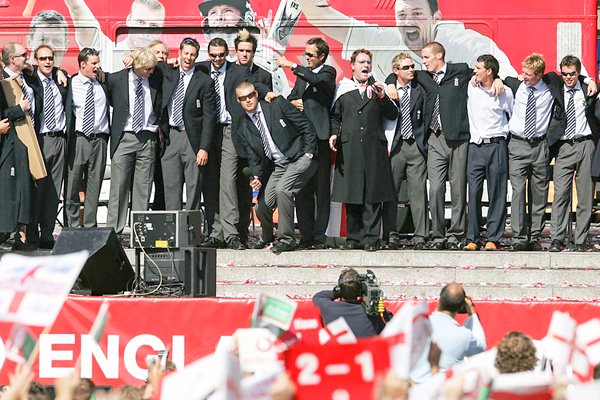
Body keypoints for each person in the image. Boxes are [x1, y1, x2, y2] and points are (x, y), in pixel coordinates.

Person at [298, 0, 517, 81]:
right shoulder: (385, 40)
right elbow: (326, 18)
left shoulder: (466, 44)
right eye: (402, 15)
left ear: (436, 19)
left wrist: (497, 80)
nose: (408, 20)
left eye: (417, 13)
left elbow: (509, 76)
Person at [235, 81, 317, 254]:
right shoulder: (242, 126)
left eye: (250, 95)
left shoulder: (277, 105)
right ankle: (266, 237)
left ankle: (287, 239)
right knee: (261, 207)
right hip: (278, 166)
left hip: (299, 157)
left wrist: (309, 152)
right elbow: (253, 157)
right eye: (243, 98)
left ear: (257, 94)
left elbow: (306, 126)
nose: (248, 100)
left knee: (283, 190)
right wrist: (256, 176)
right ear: (238, 101)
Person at [197, 37, 264, 250]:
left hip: (229, 130)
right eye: (213, 55)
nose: (217, 59)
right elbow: (179, 69)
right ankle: (215, 232)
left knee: (228, 181)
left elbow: (256, 84)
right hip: (208, 131)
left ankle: (231, 233)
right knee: (210, 182)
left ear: (228, 54)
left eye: (221, 55)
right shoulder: (201, 69)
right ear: (208, 54)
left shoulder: (238, 71)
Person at [329, 49, 397, 251]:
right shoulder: (343, 89)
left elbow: (392, 114)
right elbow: (335, 117)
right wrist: (333, 133)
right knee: (352, 193)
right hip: (350, 149)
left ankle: (371, 238)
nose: (365, 66)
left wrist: (383, 97)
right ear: (353, 65)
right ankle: (354, 237)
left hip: (373, 148)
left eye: (368, 62)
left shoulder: (378, 89)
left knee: (372, 194)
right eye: (361, 62)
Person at [277, 37, 336, 250]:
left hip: (320, 140)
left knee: (321, 189)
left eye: (310, 54)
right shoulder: (303, 76)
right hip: (302, 140)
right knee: (302, 189)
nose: (307, 57)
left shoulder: (327, 72)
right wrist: (294, 102)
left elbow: (318, 82)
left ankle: (320, 236)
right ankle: (306, 234)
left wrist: (292, 65)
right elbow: (291, 97)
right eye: (305, 54)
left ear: (322, 56)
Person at [414, 41, 471, 250]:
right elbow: (398, 74)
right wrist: (392, 82)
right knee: (435, 188)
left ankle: (455, 235)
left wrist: (500, 81)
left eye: (426, 57)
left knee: (458, 189)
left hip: (458, 140)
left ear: (439, 56)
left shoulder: (460, 72)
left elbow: (486, 72)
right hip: (434, 138)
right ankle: (438, 235)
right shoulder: (423, 76)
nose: (423, 61)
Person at [546, 55, 599, 252]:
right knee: (560, 194)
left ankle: (580, 239)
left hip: (585, 143)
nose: (568, 77)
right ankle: (556, 238)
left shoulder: (587, 89)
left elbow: (596, 85)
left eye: (573, 74)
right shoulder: (557, 86)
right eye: (565, 74)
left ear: (578, 72)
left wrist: (588, 79)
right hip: (564, 146)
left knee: (585, 195)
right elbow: (548, 75)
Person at [106, 47, 161, 235]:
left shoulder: (155, 78)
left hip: (148, 137)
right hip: (125, 136)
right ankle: (114, 231)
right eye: (147, 69)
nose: (151, 72)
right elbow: (99, 78)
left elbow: (168, 69)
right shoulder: (117, 79)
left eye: (152, 69)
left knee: (143, 187)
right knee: (119, 186)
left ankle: (139, 232)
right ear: (137, 66)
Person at [158, 37, 216, 212]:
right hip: (171, 137)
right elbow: (149, 61)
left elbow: (209, 117)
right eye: (186, 53)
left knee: (193, 187)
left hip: (192, 139)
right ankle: (173, 231)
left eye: (192, 54)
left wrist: (204, 147)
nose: (188, 58)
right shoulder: (168, 72)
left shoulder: (205, 81)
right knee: (171, 187)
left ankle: (190, 231)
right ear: (179, 53)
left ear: (197, 57)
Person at [464, 54, 513, 251]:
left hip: (496, 145)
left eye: (478, 68)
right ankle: (472, 237)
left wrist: (500, 80)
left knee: (497, 192)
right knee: (474, 192)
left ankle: (493, 237)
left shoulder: (505, 92)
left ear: (489, 71)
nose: (474, 71)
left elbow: (512, 113)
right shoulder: (471, 87)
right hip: (476, 146)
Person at [381, 52, 428, 250]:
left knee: (418, 193)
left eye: (412, 67)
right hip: (396, 146)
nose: (411, 70)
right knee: (391, 192)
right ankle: (391, 234)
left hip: (415, 145)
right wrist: (390, 84)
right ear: (396, 71)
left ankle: (420, 236)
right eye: (406, 68)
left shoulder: (419, 88)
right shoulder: (386, 89)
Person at [26, 45, 68, 250]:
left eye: (50, 58)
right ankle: (32, 233)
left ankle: (47, 233)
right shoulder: (31, 81)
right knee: (38, 190)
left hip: (59, 139)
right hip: (40, 140)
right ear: (36, 60)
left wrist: (60, 71)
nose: (47, 62)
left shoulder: (60, 80)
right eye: (42, 58)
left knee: (53, 190)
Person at [233, 29, 272, 246]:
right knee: (238, 185)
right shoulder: (230, 71)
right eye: (241, 50)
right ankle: (240, 232)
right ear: (236, 51)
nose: (245, 54)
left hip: (258, 138)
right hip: (236, 135)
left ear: (254, 52)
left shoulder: (263, 75)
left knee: (260, 185)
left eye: (249, 51)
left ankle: (264, 234)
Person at [64, 48, 110, 228]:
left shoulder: (103, 82)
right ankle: (73, 226)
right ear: (83, 64)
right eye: (94, 64)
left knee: (94, 184)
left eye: (98, 63)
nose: (97, 67)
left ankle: (90, 226)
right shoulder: (70, 83)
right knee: (73, 184)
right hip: (79, 139)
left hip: (99, 140)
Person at [411, 282, 486, 382]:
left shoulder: (418, 324)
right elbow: (481, 348)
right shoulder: (464, 335)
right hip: (442, 391)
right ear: (460, 306)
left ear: (440, 300)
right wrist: (472, 313)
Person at [64, 0, 166, 71]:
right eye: (140, 22)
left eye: (154, 26)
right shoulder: (105, 50)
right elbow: (76, 6)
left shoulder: (161, 66)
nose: (146, 31)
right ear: (128, 20)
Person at [2, 42, 36, 251]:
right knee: (12, 189)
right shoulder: (3, 81)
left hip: (28, 139)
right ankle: (13, 235)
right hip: (10, 141)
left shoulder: (25, 79)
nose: (27, 57)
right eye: (23, 55)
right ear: (12, 59)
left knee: (25, 188)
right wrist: (18, 109)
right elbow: (3, 114)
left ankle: (22, 235)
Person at [313, 268, 390, 337]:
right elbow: (389, 324)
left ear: (339, 290)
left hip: (338, 352)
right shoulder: (372, 312)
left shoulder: (328, 308)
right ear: (360, 290)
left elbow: (318, 296)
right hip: (366, 352)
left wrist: (339, 292)